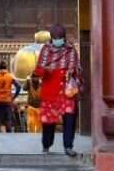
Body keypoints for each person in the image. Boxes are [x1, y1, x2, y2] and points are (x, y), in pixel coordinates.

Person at [34, 24, 82, 157]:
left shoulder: (71, 50)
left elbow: (78, 68)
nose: (57, 40)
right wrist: (46, 70)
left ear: (64, 37)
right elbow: (38, 70)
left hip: (67, 91)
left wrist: (73, 72)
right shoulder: (45, 49)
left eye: (60, 37)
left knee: (70, 119)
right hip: (50, 91)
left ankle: (68, 146)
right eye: (55, 38)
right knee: (48, 121)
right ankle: (46, 145)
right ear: (51, 37)